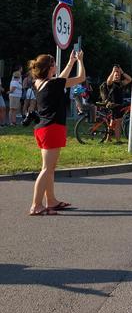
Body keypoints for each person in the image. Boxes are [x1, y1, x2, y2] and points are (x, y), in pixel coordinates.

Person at [28, 50, 86, 215]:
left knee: (50, 168)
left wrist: (71, 62)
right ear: (50, 67)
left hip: (44, 128)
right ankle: (36, 205)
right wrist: (80, 61)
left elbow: (60, 78)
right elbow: (80, 78)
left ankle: (51, 201)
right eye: (54, 64)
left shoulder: (40, 82)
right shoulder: (53, 83)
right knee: (47, 169)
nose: (56, 66)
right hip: (52, 128)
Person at [101, 65, 132, 143]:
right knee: (118, 123)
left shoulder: (121, 83)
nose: (117, 76)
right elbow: (108, 80)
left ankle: (108, 138)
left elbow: (130, 79)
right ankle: (118, 140)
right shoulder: (111, 84)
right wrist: (113, 71)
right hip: (114, 106)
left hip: (119, 105)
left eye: (118, 75)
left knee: (112, 122)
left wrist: (122, 72)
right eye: (115, 75)